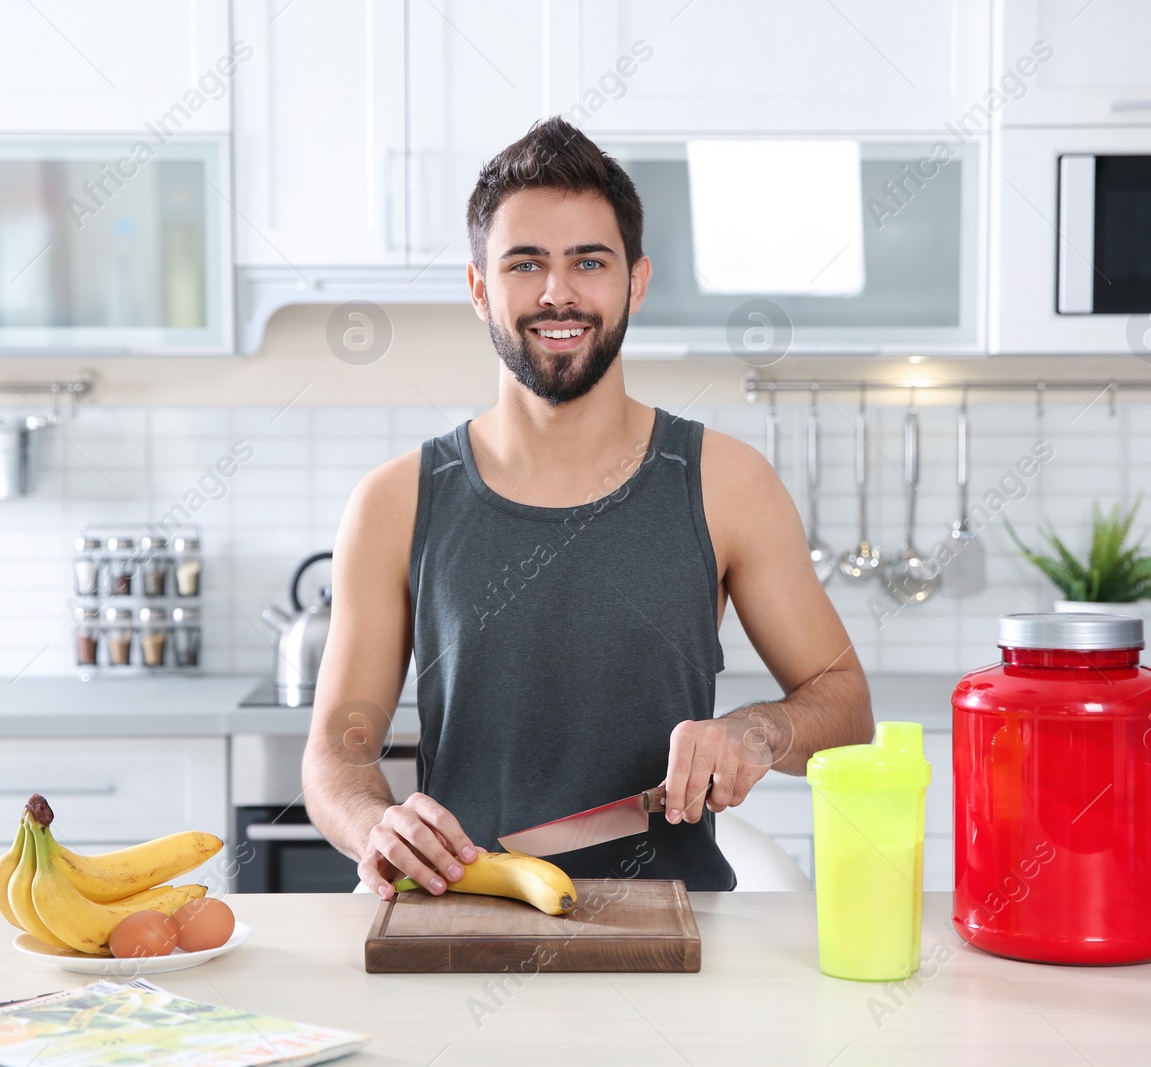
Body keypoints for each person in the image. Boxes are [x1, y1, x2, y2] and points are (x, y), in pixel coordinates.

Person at [302, 116, 872, 897]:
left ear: (635, 281)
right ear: (478, 288)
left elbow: (846, 705)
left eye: (589, 262)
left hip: (679, 934)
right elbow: (338, 753)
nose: (557, 292)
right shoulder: (394, 502)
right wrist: (374, 823)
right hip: (466, 916)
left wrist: (756, 731)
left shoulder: (725, 483)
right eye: (524, 263)